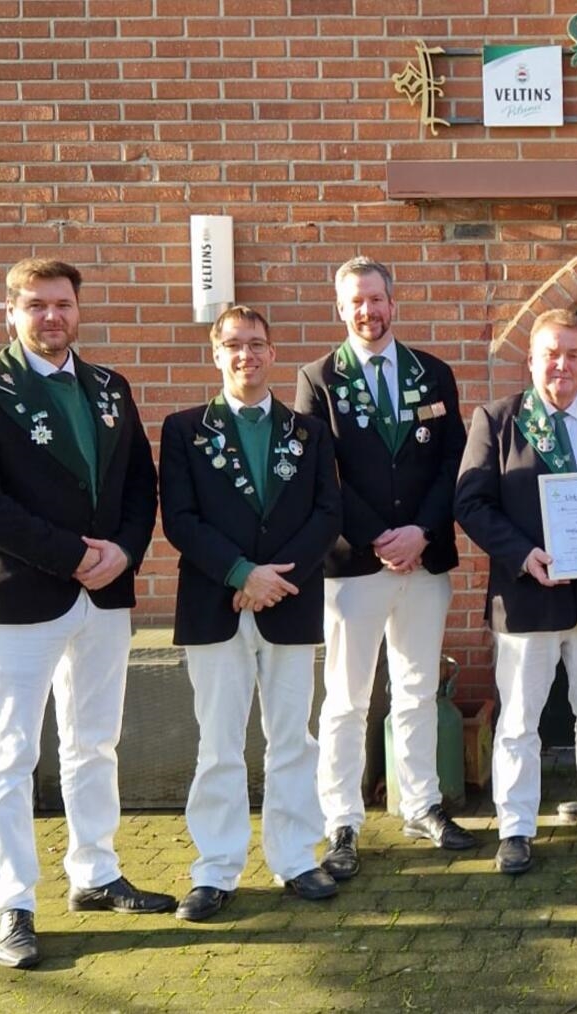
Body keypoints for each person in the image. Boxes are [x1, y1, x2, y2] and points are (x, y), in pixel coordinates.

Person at [0, 258, 171, 969]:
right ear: (11, 311)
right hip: (20, 600)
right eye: (36, 305)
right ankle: (13, 904)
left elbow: (141, 485)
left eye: (62, 304)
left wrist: (125, 551)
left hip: (103, 596)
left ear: (78, 309)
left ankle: (95, 871)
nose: (52, 316)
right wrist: (72, 555)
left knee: (95, 742)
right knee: (10, 756)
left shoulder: (110, 386)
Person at [454, 309, 577, 875]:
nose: (562, 365)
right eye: (551, 354)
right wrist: (524, 554)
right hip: (528, 598)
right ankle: (516, 827)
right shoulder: (498, 421)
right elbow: (470, 503)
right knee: (520, 721)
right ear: (531, 360)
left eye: (573, 355)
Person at [160, 306, 342, 921]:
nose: (247, 355)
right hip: (215, 604)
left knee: (292, 738)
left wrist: (273, 581)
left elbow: (327, 514)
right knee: (218, 743)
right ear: (216, 353)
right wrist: (242, 574)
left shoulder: (308, 432)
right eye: (234, 344)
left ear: (272, 352)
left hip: (289, 600)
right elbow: (180, 519)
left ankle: (295, 857)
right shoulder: (185, 430)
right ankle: (215, 869)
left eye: (257, 344)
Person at [295, 256, 472, 880]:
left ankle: (421, 804)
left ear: (393, 303)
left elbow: (454, 462)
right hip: (355, 565)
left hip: (424, 559)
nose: (367, 311)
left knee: (417, 688)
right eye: (356, 302)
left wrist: (421, 532)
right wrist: (378, 537)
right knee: (346, 698)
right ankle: (342, 819)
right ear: (340, 309)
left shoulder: (434, 373)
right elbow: (321, 475)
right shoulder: (318, 379)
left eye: (376, 299)